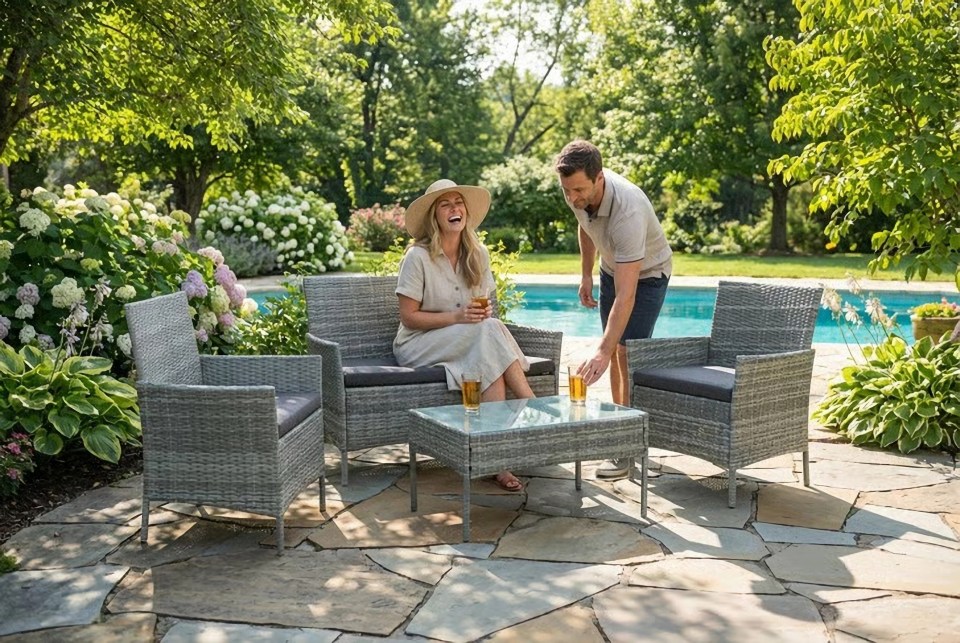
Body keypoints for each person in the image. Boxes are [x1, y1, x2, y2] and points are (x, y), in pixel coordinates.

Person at [394, 178, 534, 492]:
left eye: (458, 202)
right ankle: (533, 404)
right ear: (435, 215)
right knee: (487, 336)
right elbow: (409, 318)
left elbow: (485, 315)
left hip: (469, 341)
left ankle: (492, 459)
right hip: (418, 344)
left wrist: (476, 317)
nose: (454, 208)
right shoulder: (417, 257)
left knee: (488, 353)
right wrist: (459, 317)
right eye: (446, 204)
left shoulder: (478, 254)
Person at [554, 140, 672, 479]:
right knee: (617, 351)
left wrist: (601, 352)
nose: (572, 198)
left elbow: (627, 294)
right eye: (566, 190)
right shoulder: (578, 191)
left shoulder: (627, 211)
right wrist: (586, 274)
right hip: (610, 268)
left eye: (578, 190)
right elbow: (586, 227)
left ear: (599, 178)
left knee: (624, 352)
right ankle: (625, 438)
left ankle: (630, 447)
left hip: (648, 275)